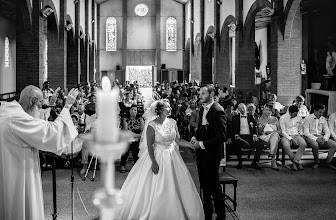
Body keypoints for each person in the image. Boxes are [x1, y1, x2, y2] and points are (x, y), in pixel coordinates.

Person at [114, 99, 204, 220]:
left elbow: (177, 140)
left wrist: (191, 145)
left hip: (172, 156)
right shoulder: (152, 125)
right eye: (167, 107)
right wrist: (154, 162)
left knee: (176, 184)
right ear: (160, 110)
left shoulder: (173, 122)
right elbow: (150, 145)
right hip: (157, 155)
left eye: (170, 106)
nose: (170, 109)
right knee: (155, 185)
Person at [0, 86, 80, 220]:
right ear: (32, 101)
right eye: (40, 104)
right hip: (18, 172)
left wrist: (50, 106)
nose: (41, 108)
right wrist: (67, 107)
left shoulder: (9, 111)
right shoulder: (16, 119)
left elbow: (35, 121)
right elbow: (50, 133)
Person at [191, 84, 226, 220]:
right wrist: (195, 137)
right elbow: (201, 128)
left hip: (212, 154)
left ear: (211, 95)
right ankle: (207, 212)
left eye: (203, 94)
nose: (200, 96)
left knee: (213, 185)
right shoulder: (202, 109)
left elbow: (221, 136)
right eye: (200, 94)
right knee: (204, 184)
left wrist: (202, 144)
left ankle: (221, 214)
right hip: (202, 154)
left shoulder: (218, 111)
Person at [232, 103, 264, 170]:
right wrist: (236, 135)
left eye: (243, 108)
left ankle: (255, 162)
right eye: (240, 109)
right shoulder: (235, 117)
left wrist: (255, 135)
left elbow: (254, 127)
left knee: (260, 143)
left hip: (250, 136)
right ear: (238, 110)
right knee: (237, 142)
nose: (242, 110)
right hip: (240, 136)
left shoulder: (250, 116)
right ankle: (240, 162)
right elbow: (233, 129)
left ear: (245, 108)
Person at [303, 105, 336, 169]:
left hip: (321, 136)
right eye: (320, 112)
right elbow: (306, 132)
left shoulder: (323, 119)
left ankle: (328, 162)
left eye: (322, 112)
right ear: (315, 111)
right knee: (315, 145)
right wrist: (316, 138)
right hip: (310, 136)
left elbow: (327, 131)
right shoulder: (307, 118)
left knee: (334, 145)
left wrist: (325, 138)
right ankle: (316, 162)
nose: (321, 114)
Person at [280, 105, 307, 171]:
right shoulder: (283, 118)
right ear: (290, 112)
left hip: (296, 135)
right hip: (286, 135)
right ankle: (296, 163)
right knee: (286, 145)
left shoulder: (299, 117)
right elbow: (283, 131)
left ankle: (295, 162)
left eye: (297, 113)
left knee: (303, 144)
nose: (296, 115)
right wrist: (291, 139)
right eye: (295, 114)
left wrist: (302, 135)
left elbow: (300, 128)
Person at [120, 104, 144, 173]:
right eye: (132, 110)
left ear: (137, 111)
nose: (133, 112)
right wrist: (135, 136)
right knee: (127, 146)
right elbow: (126, 131)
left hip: (137, 138)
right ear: (129, 111)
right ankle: (122, 165)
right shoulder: (126, 119)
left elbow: (143, 131)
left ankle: (136, 165)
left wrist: (137, 137)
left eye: (135, 110)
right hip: (127, 137)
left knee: (135, 148)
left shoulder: (140, 119)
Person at [258, 104, 281, 170]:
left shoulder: (275, 119)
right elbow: (259, 133)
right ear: (263, 110)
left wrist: (272, 132)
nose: (268, 112)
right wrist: (263, 130)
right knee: (275, 137)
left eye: (270, 110)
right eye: (266, 110)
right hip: (265, 137)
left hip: (275, 136)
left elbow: (280, 131)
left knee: (275, 135)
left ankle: (272, 154)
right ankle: (273, 159)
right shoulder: (260, 120)